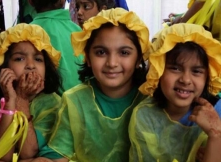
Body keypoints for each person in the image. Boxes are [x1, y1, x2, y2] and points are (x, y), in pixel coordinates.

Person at [43, 8, 150, 162]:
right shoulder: (74, 101)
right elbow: (59, 156)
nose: (112, 63)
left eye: (124, 53)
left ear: (139, 58)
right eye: (101, 52)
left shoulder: (149, 101)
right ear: (87, 56)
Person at [129, 23, 221, 162]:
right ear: (158, 71)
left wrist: (216, 136)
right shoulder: (145, 115)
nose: (185, 80)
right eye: (175, 68)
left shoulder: (217, 114)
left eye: (196, 71)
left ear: (207, 77)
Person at [0, 23, 62, 161]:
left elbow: (28, 152)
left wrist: (21, 100)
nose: (31, 65)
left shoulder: (53, 103)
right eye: (19, 58)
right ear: (4, 67)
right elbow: (0, 156)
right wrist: (10, 103)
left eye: (38, 59)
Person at [29, 0, 83, 95]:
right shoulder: (78, 30)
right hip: (84, 103)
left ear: (30, 2)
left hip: (48, 106)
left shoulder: (26, 33)